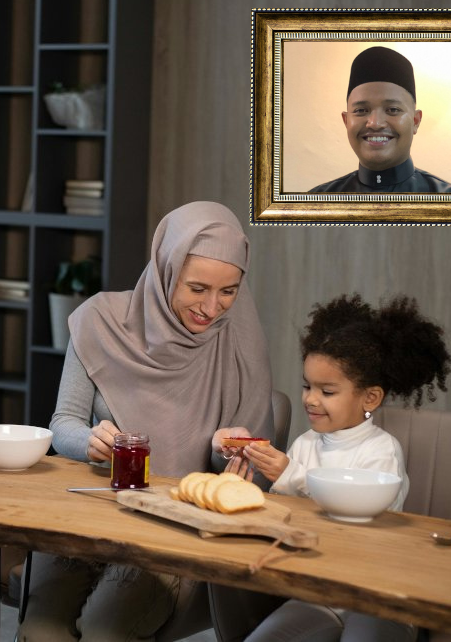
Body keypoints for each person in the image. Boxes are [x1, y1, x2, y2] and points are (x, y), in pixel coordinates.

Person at [18, 201, 275, 641]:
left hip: (173, 532)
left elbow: (246, 486)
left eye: (228, 291)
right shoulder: (99, 322)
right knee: (43, 631)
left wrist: (224, 452)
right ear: (165, 269)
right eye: (197, 288)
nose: (212, 307)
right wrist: (89, 441)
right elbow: (64, 424)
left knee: (103, 630)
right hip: (90, 513)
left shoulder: (241, 348)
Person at [235, 293, 451, 642]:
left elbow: (360, 519)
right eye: (307, 386)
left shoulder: (382, 451)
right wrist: (247, 483)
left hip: (376, 595)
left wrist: (291, 475)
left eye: (328, 391)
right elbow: (290, 517)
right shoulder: (305, 444)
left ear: (370, 398)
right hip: (318, 595)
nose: (310, 399)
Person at [310, 46, 451, 193]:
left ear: (415, 121)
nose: (375, 123)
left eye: (393, 110)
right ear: (346, 121)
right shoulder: (315, 205)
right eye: (361, 110)